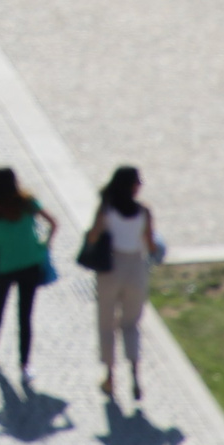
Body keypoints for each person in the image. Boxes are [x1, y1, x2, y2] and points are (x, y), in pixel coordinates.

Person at [0, 167, 55, 379]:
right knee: (25, 315)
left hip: (4, 266)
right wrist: (45, 244)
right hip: (31, 264)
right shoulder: (28, 203)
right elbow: (53, 222)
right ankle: (25, 366)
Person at [89, 167, 157, 402]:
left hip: (111, 266)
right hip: (136, 267)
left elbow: (93, 236)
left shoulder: (106, 208)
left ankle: (109, 376)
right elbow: (152, 244)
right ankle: (135, 376)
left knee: (106, 323)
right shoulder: (144, 211)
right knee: (131, 323)